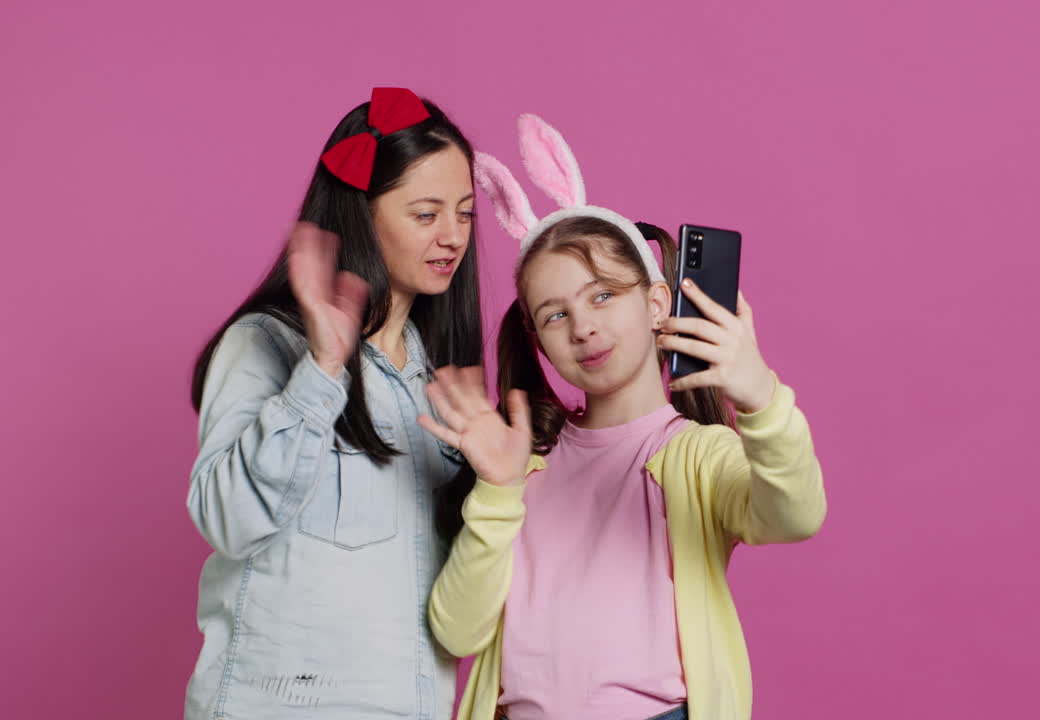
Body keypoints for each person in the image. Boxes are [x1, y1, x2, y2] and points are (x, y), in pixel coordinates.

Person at [422, 114, 827, 720]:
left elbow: (795, 515)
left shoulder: (697, 454)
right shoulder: (521, 466)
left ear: (658, 303)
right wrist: (497, 491)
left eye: (604, 295)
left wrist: (762, 400)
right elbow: (457, 633)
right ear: (536, 337)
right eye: (555, 315)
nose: (583, 326)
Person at [186, 87, 482, 719]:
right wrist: (322, 369)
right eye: (426, 214)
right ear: (361, 215)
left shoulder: (445, 380)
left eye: (465, 212)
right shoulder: (266, 344)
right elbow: (228, 520)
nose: (453, 236)